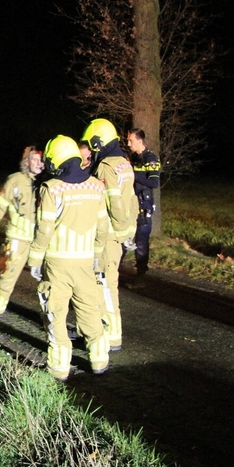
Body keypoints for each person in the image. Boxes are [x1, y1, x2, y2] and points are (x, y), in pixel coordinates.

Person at [27, 135, 110, 379]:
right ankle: (99, 359)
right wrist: (96, 253)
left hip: (57, 264)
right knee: (89, 309)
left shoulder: (52, 188)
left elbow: (44, 228)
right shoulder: (97, 186)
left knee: (55, 312)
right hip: (86, 262)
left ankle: (60, 367)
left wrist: (34, 259)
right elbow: (102, 226)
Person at [80, 118, 137, 352]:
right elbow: (131, 199)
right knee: (108, 282)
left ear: (97, 142)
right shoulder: (124, 162)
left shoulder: (106, 166)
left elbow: (111, 200)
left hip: (107, 236)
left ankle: (110, 333)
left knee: (103, 283)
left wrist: (118, 231)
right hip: (118, 235)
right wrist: (128, 231)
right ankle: (108, 331)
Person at [0, 145, 44, 318]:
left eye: (42, 160)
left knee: (51, 281)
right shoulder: (15, 180)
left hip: (42, 241)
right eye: (35, 159)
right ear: (26, 161)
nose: (39, 163)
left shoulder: (49, 183)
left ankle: (48, 317)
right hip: (18, 239)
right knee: (6, 275)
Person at [125, 128, 161, 275]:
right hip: (130, 204)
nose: (128, 144)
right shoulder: (133, 158)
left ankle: (141, 276)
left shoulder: (151, 158)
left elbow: (154, 183)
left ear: (140, 141)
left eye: (131, 140)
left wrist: (132, 174)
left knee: (141, 243)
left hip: (143, 205)